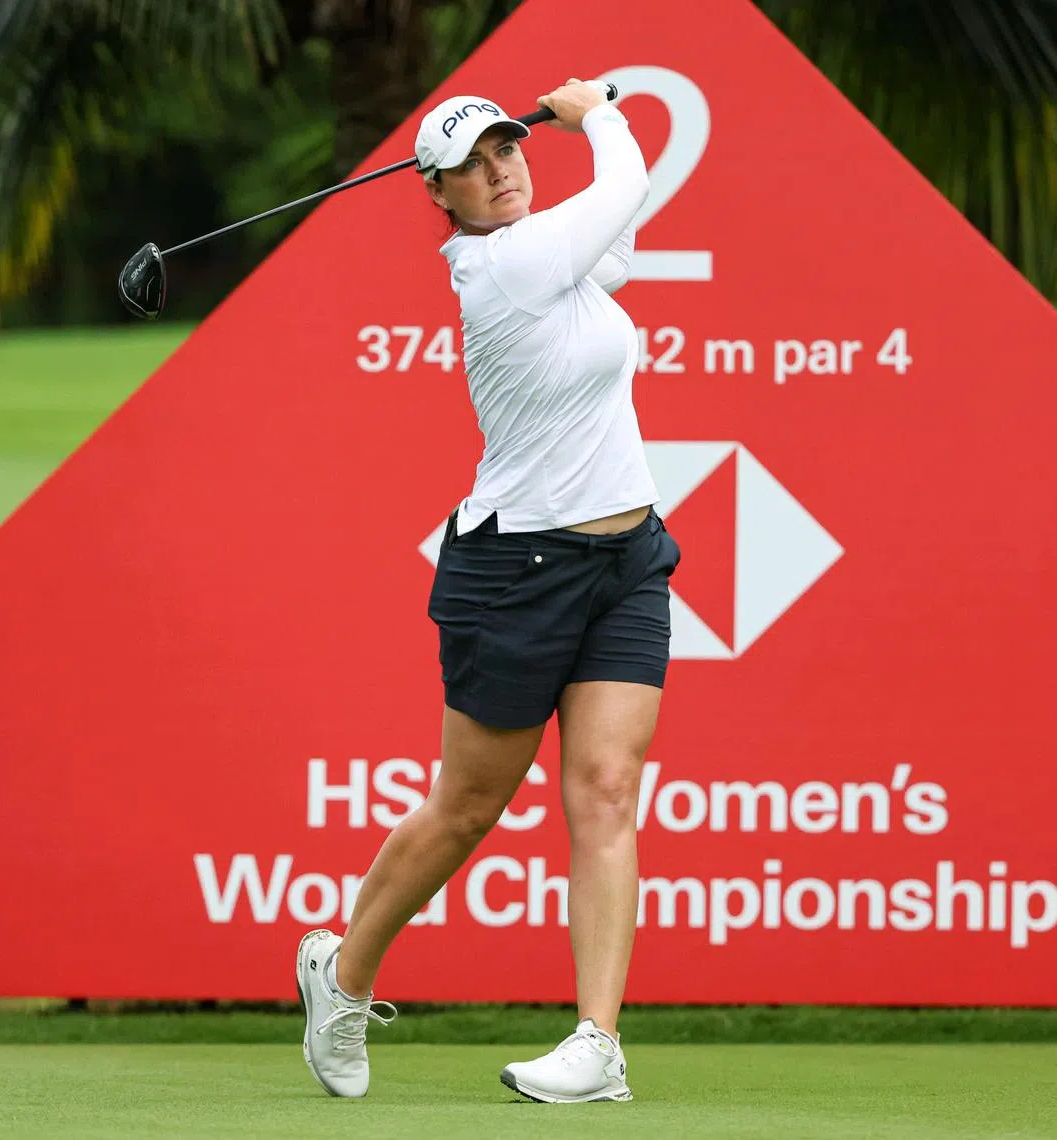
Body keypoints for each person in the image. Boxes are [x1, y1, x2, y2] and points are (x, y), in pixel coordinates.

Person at [296, 77, 680, 1104]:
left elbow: (616, 236)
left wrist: (584, 129)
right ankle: (343, 975)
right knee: (468, 807)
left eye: (506, 148)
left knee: (607, 791)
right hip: (519, 570)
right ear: (438, 194)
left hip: (629, 559)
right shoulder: (502, 267)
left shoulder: (549, 254)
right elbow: (625, 184)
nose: (497, 170)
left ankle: (597, 1045)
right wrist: (593, 111)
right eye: (469, 166)